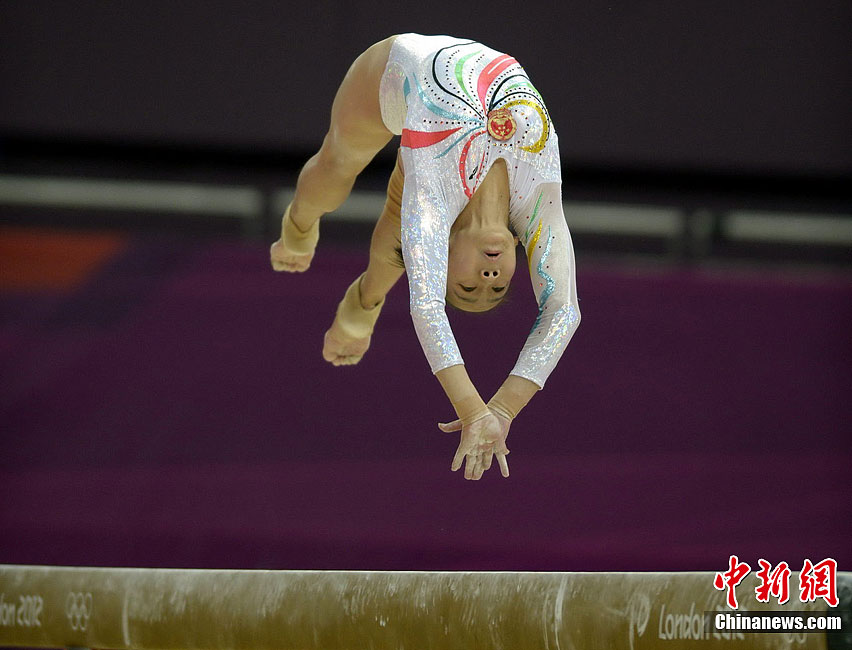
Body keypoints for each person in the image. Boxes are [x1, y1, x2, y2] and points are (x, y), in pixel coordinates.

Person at [271, 34, 580, 480]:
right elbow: (563, 311)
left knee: (347, 174)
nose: (489, 275)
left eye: (470, 286)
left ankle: (305, 238)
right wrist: (502, 409)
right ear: (517, 252)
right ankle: (354, 303)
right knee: (339, 165)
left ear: (444, 256)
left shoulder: (436, 200)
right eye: (498, 285)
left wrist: (475, 412)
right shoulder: (538, 206)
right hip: (420, 64)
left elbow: (427, 306)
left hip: (392, 77)